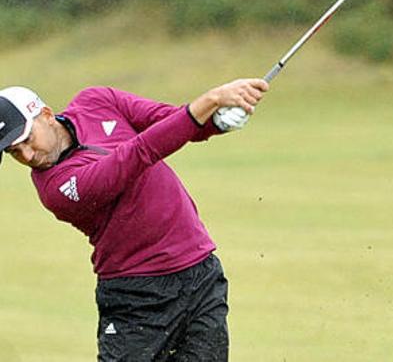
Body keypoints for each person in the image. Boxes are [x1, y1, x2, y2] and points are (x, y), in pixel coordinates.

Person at [0, 78, 269, 361]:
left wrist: (218, 121)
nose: (27, 155)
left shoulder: (97, 100)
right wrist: (210, 101)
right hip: (137, 298)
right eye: (14, 152)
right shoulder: (56, 189)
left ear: (45, 114)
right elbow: (137, 154)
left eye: (27, 140)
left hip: (199, 274)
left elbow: (170, 121)